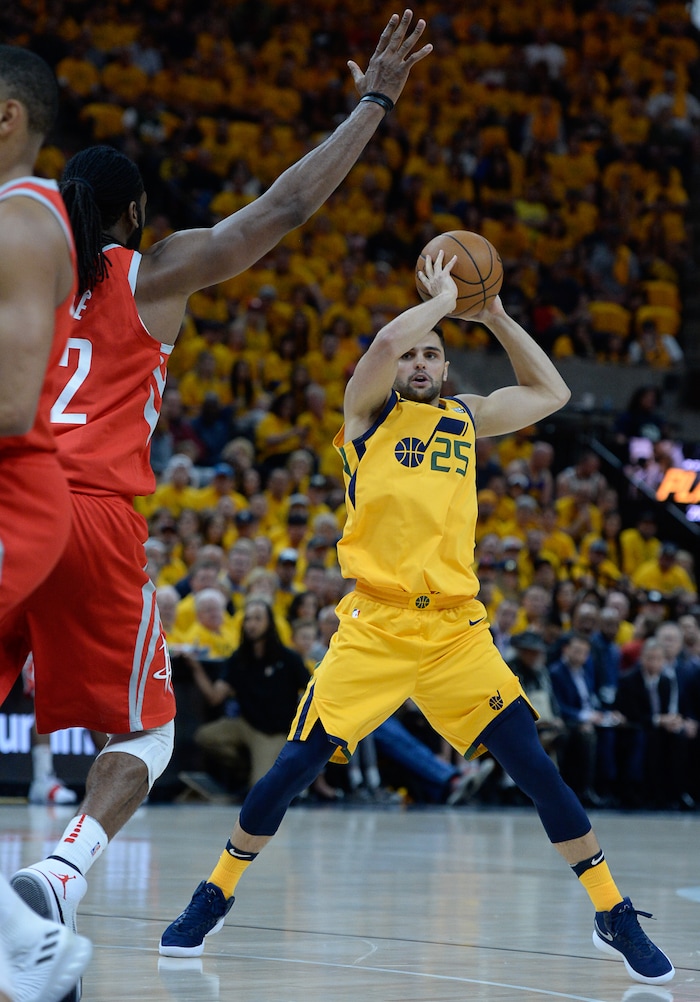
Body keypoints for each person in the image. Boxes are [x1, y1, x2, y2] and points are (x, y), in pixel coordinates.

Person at [3, 11, 433, 988]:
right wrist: (373, 102)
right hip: (92, 517)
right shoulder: (152, 273)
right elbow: (279, 210)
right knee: (146, 736)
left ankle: (32, 941)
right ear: (134, 213)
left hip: (6, 500)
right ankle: (56, 880)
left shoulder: (18, 271)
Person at [160, 252, 674, 986]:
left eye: (434, 353)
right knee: (290, 772)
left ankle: (611, 910)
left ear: (447, 367)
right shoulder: (365, 420)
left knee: (536, 768)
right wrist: (437, 302)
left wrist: (491, 314)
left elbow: (551, 391)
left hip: (456, 632)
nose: (422, 359)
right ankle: (213, 894)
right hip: (373, 626)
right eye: (414, 353)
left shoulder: (465, 421)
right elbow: (378, 347)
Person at [0, 44, 92, 1002]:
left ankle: (34, 942)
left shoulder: (23, 223)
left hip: (13, 495)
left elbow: (14, 403)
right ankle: (31, 944)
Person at [187, 597, 311, 790]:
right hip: (246, 724)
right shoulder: (239, 658)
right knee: (204, 736)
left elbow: (311, 690)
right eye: (248, 619)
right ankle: (244, 768)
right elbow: (215, 697)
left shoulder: (289, 658)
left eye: (257, 619)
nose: (251, 624)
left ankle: (263, 771)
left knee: (260, 788)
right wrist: (196, 668)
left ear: (269, 623)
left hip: (273, 732)